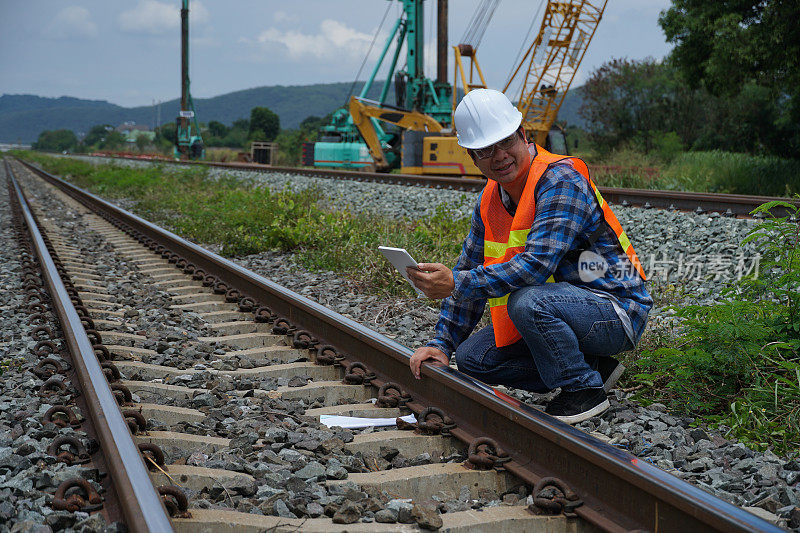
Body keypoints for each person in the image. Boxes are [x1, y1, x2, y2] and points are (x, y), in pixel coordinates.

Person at [406, 89, 652, 424]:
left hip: (616, 309)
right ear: (472, 157)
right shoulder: (491, 200)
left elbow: (535, 267)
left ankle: (583, 390)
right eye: (486, 150)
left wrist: (455, 283)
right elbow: (469, 267)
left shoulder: (560, 180)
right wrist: (442, 345)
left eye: (506, 141)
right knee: (473, 358)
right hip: (563, 307)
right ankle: (592, 368)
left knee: (528, 301)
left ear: (523, 134)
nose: (500, 155)